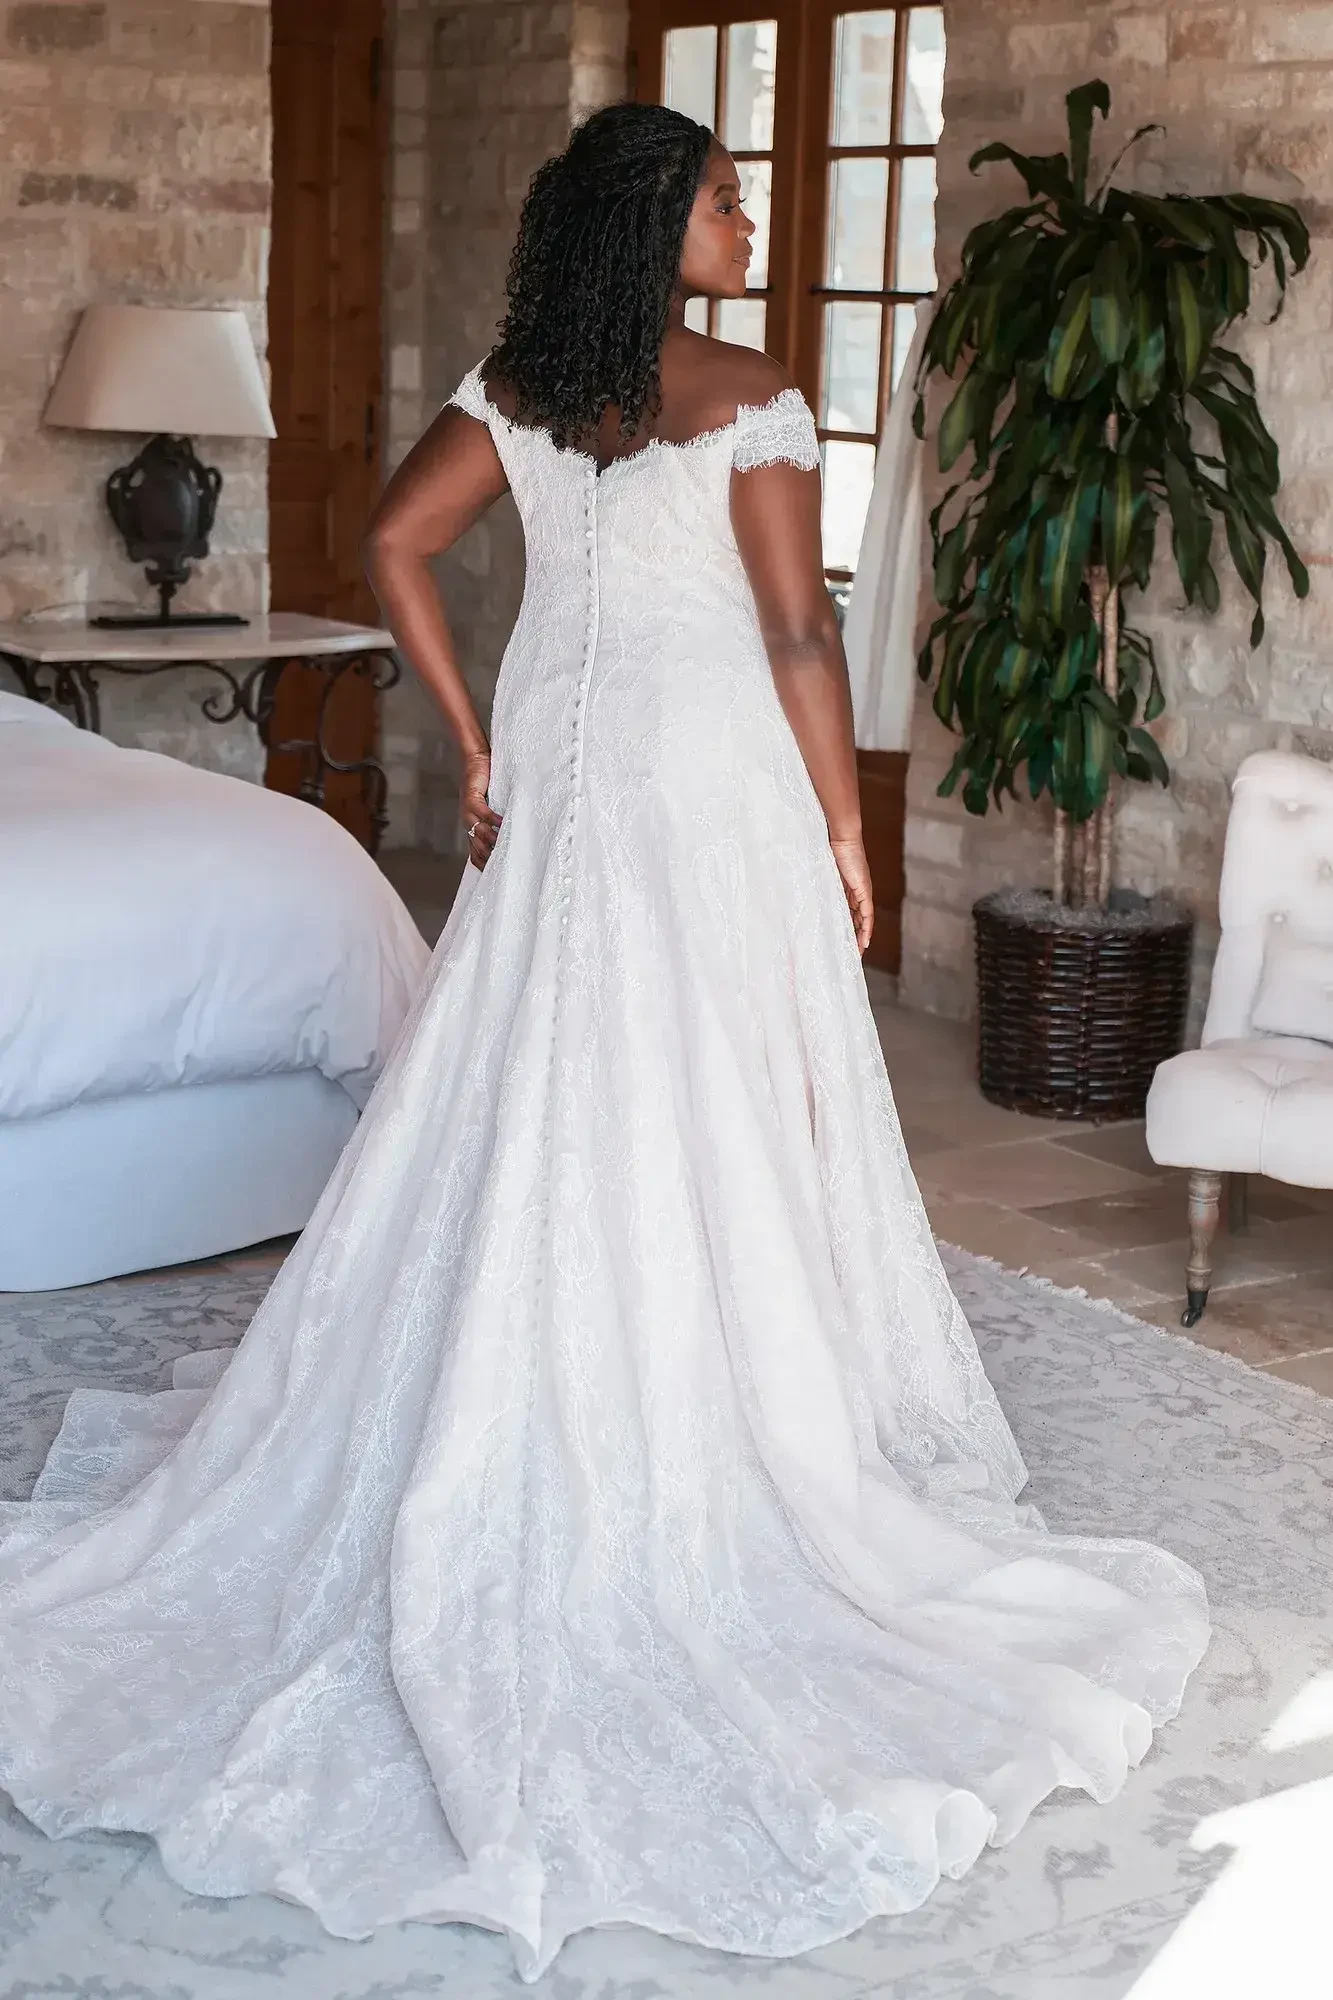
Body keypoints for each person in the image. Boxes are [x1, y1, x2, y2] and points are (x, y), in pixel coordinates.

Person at [0, 103, 1208, 1984]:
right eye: (728, 200)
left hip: (564, 786)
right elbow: (797, 636)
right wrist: (848, 831)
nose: (750, 224)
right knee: (709, 1096)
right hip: (707, 792)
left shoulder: (524, 388)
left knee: (538, 1078)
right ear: (661, 223)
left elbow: (394, 547)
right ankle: (700, 1392)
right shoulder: (752, 396)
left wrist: (479, 743)